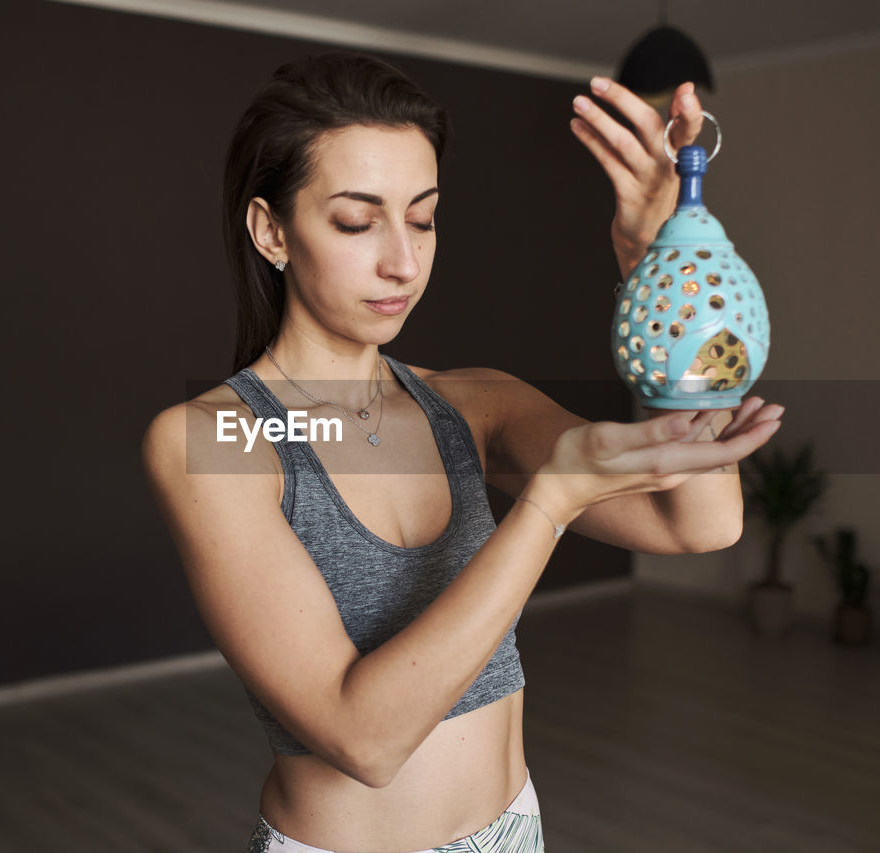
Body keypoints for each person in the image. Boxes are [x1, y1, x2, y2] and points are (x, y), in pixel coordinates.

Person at [141, 50, 783, 853]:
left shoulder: (469, 405)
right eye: (355, 219)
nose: (402, 261)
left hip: (513, 829)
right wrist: (548, 504)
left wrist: (657, 255)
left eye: (422, 215)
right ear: (273, 230)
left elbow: (700, 521)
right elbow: (362, 739)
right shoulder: (214, 438)